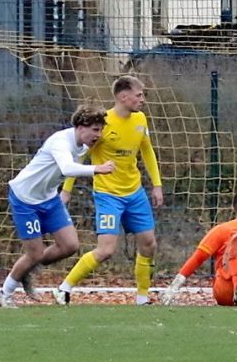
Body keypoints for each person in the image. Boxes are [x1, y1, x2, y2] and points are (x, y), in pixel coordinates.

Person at [55, 75, 163, 305]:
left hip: (135, 193)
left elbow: (148, 152)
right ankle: (64, 288)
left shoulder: (141, 119)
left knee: (148, 244)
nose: (142, 99)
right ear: (124, 97)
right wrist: (66, 190)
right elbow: (80, 157)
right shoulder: (102, 124)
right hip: (107, 195)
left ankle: (142, 297)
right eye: (139, 95)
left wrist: (157, 185)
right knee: (105, 250)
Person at [0, 103, 115, 307]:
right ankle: (5, 294)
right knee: (34, 253)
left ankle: (27, 268)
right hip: (25, 199)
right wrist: (97, 169)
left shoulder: (84, 145)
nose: (98, 134)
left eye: (101, 129)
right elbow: (67, 168)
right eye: (95, 129)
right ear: (80, 127)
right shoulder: (60, 141)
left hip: (49, 198)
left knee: (70, 245)